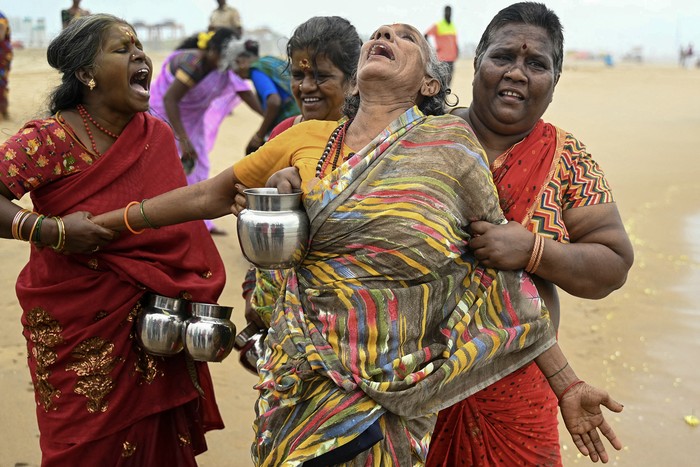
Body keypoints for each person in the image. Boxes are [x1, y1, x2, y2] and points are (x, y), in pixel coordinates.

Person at [92, 23, 623, 465]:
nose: (385, 34)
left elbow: (495, 282)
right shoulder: (306, 143)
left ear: (430, 85)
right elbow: (213, 197)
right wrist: (104, 224)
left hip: (395, 394)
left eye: (404, 37)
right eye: (378, 33)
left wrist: (567, 382)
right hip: (298, 383)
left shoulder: (448, 150)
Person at [0, 14, 227, 464]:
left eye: (140, 47)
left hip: (151, 328)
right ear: (86, 74)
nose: (140, 55)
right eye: (122, 50)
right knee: (81, 448)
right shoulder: (49, 139)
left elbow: (180, 229)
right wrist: (52, 231)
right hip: (74, 326)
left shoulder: (155, 136)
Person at [426, 3, 635, 465]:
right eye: (503, 57)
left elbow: (613, 265)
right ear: (476, 60)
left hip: (521, 391)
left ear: (555, 81)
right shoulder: (420, 140)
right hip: (410, 387)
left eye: (536, 63)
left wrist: (534, 250)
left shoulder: (566, 157)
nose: (517, 73)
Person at [240, 15, 363, 340]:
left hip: (353, 316)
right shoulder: (285, 133)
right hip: (284, 313)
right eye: (298, 74)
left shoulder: (371, 142)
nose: (306, 87)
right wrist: (255, 288)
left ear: (354, 80)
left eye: (321, 76)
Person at [149, 27, 262, 234]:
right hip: (165, 115)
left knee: (199, 164)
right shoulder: (194, 64)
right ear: (212, 50)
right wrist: (182, 139)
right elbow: (170, 99)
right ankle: (159, 217)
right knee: (164, 163)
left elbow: (246, 95)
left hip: (192, 118)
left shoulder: (223, 69)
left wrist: (268, 115)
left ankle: (198, 221)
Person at [230, 39, 301, 154]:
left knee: (253, 153)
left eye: (234, 69)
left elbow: (274, 101)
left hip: (291, 122)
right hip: (302, 115)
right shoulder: (270, 60)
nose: (236, 74)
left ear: (241, 62)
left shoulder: (256, 70)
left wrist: (259, 135)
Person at [424, 5, 459, 87]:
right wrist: (432, 49)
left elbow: (454, 41)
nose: (448, 14)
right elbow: (426, 35)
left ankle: (445, 98)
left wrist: (457, 50)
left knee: (449, 81)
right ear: (444, 13)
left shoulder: (452, 26)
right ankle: (440, 98)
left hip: (452, 58)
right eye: (446, 12)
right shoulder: (438, 25)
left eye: (449, 12)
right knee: (441, 80)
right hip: (442, 58)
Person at [0, 10, 11, 120]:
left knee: (1, 83)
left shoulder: (1, 17)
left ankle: (4, 111)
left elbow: (1, 35)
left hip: (2, 54)